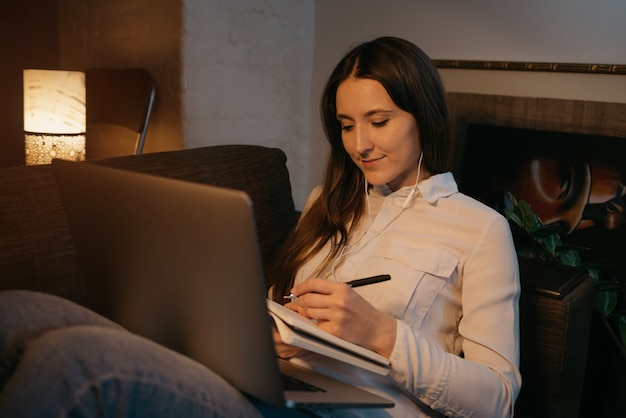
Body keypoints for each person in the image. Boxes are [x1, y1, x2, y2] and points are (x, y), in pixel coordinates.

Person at [0, 36, 521, 418]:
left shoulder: (479, 229)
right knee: (17, 309)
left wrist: (384, 336)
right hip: (271, 382)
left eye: (379, 121)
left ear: (422, 117)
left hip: (338, 413)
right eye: (345, 125)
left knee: (70, 362)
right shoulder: (328, 203)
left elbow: (498, 399)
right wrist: (273, 334)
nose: (360, 144)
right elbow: (280, 308)